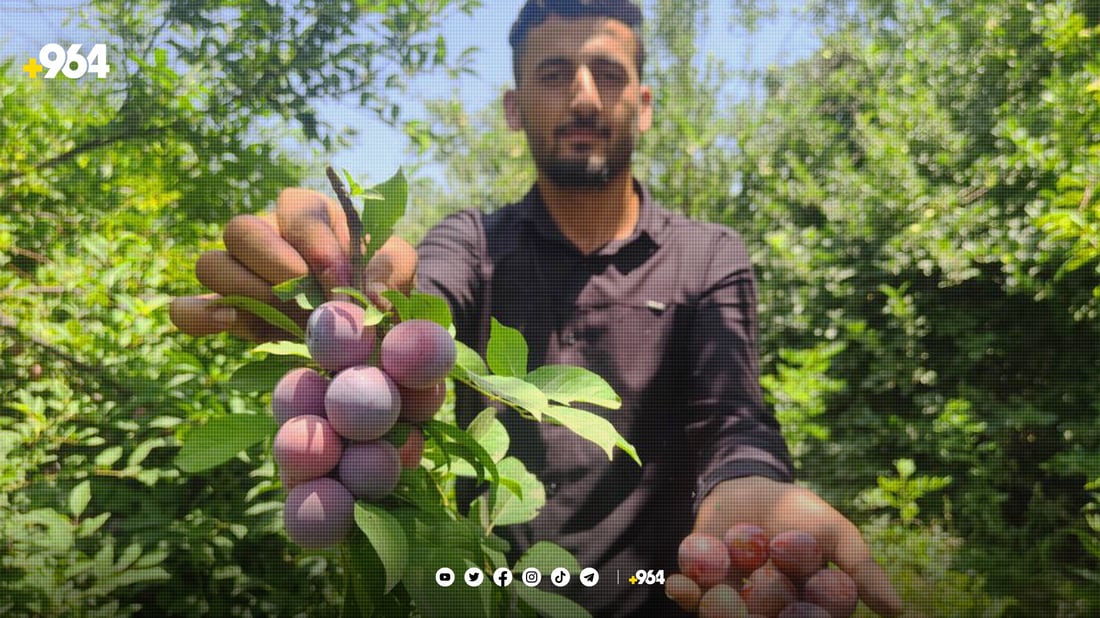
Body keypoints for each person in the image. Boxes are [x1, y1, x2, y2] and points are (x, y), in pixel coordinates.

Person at [170, 1, 904, 616]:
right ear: (516, 108)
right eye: (555, 74)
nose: (584, 95)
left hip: (661, 591)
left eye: (608, 74)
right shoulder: (473, 243)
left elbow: (734, 413)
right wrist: (345, 307)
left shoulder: (708, 255)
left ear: (643, 106)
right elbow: (422, 315)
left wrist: (755, 486)